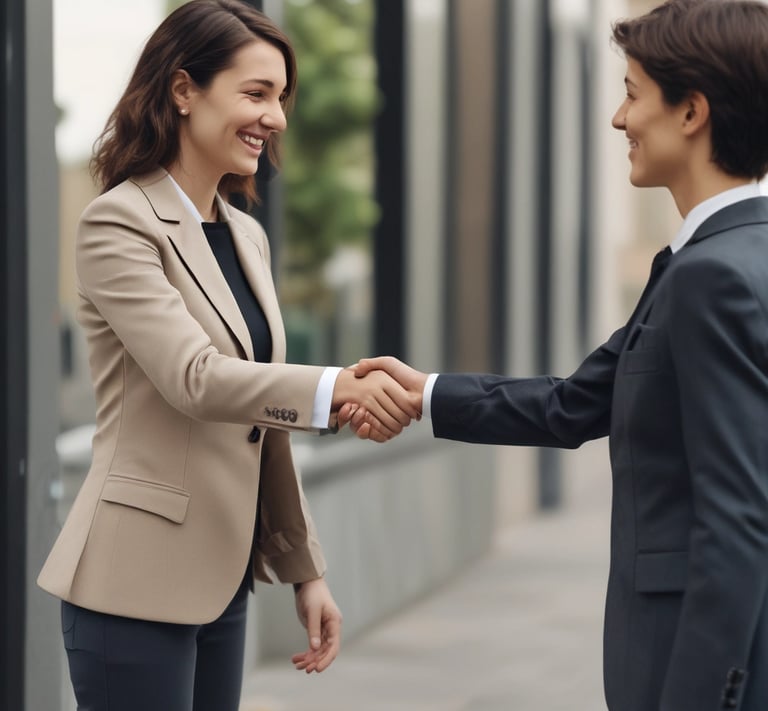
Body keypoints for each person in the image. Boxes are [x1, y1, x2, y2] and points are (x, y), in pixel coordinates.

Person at [345, 1, 768, 709]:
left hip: (688, 666)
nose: (619, 119)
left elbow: (738, 519)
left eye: (633, 94)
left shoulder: (710, 277)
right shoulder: (723, 259)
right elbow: (575, 403)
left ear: (692, 111)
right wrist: (427, 393)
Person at [38, 2, 419, 710]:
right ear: (184, 90)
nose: (275, 118)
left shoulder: (247, 236)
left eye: (281, 97)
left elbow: (259, 423)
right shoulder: (118, 223)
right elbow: (196, 379)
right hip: (133, 582)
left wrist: (304, 568)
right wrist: (338, 387)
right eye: (256, 93)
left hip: (223, 581)